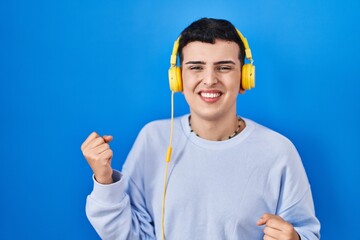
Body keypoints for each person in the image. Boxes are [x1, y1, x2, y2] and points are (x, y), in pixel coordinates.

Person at [81, 18, 320, 240]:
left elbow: (306, 231)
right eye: (196, 67)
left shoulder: (278, 150)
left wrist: (296, 238)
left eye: (224, 67)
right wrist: (104, 181)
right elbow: (129, 235)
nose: (209, 79)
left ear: (245, 78)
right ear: (177, 78)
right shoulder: (153, 138)